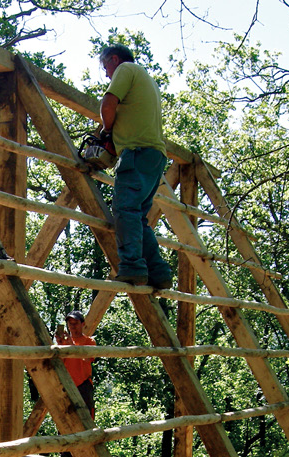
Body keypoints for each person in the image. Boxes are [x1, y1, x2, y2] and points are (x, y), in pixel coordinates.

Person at [98, 44, 174, 290]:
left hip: (137, 153)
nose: (107, 75)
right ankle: (159, 272)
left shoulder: (126, 69)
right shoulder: (147, 79)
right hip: (155, 156)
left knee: (125, 210)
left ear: (114, 59)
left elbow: (108, 105)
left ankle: (132, 266)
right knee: (138, 217)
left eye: (105, 67)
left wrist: (107, 130)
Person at [53, 310, 96, 457]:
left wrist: (71, 345)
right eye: (70, 324)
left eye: (76, 323)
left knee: (86, 420)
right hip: (66, 383)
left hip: (83, 384)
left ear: (82, 324)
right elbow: (60, 362)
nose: (73, 326)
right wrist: (60, 345)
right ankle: (66, 456)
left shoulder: (89, 342)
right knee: (63, 419)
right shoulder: (64, 342)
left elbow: (87, 359)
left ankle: (89, 454)